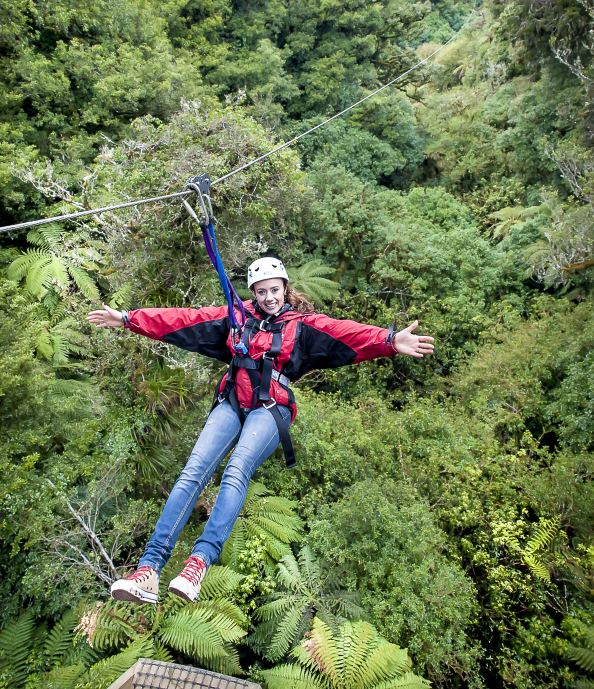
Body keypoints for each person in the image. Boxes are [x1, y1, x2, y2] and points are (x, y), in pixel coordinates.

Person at [87, 256, 434, 605]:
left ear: (285, 288)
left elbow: (346, 332)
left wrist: (389, 341)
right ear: (253, 292)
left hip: (271, 406)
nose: (269, 297)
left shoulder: (303, 324)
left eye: (275, 290)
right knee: (192, 472)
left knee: (237, 470)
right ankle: (149, 570)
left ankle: (198, 564)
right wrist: (129, 319)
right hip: (234, 400)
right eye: (262, 291)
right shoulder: (237, 318)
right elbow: (185, 320)